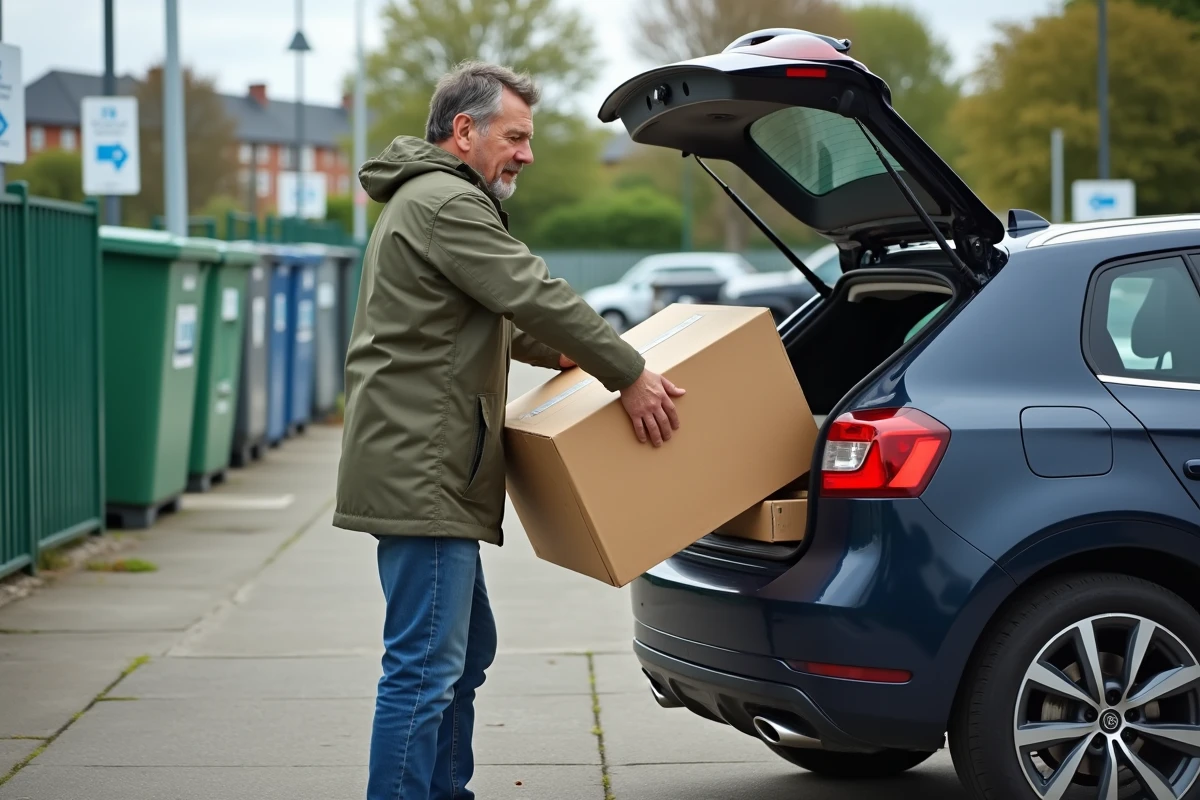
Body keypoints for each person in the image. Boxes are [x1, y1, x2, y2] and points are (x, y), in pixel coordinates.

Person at [334, 61, 686, 800]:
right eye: (516, 136)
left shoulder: (433, 199)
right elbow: (529, 289)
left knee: (460, 654)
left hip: (427, 464)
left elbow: (481, 314)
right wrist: (628, 370)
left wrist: (559, 352)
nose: (527, 154)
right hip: (423, 469)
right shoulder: (444, 203)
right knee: (426, 665)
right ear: (464, 131)